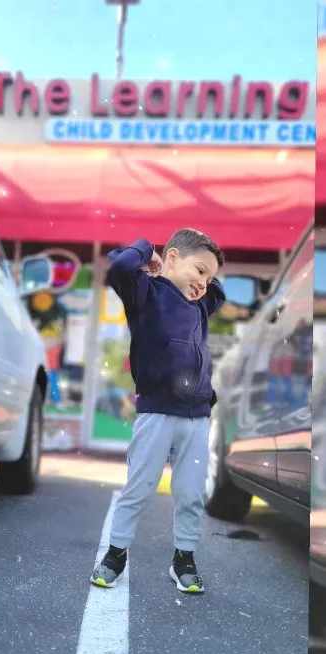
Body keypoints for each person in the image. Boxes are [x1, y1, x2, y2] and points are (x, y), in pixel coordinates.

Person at [91, 228, 225, 594]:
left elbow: (220, 293)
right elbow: (120, 267)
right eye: (199, 271)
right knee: (140, 486)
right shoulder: (146, 294)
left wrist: (200, 278)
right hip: (157, 412)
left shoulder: (200, 305)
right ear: (172, 258)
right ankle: (115, 554)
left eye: (209, 276)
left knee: (191, 492)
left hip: (197, 415)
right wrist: (147, 251)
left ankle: (184, 558)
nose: (204, 283)